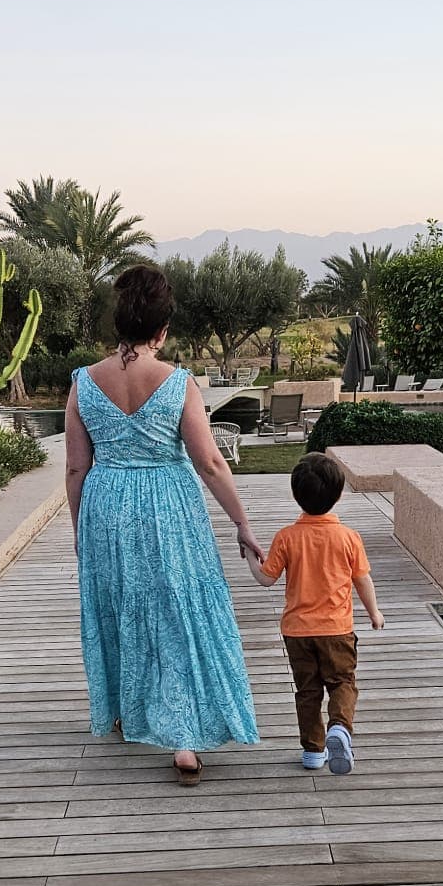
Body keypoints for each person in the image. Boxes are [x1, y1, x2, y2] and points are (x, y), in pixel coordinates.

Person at [64, 265, 262, 785]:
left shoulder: (84, 383)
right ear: (162, 329)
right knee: (177, 610)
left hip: (106, 506)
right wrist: (242, 523)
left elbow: (76, 467)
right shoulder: (178, 383)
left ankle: (125, 711)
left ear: (119, 324)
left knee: (119, 605)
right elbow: (210, 463)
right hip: (169, 507)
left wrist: (80, 528)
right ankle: (184, 740)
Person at [241, 451, 383, 773]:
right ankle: (339, 727)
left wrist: (250, 554)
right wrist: (374, 613)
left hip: (297, 633)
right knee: (342, 682)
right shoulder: (348, 537)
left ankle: (313, 752)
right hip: (337, 630)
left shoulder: (287, 537)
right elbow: (362, 580)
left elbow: (265, 579)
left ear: (296, 494)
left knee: (307, 692)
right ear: (338, 496)